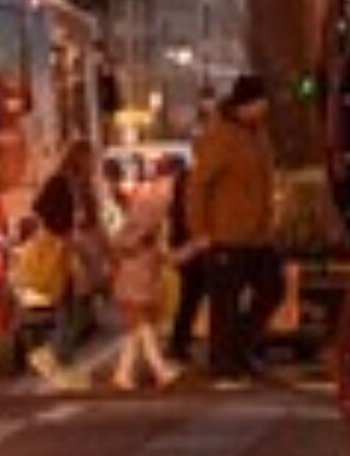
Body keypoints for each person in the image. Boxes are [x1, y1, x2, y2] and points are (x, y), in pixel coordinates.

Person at [191, 75, 281, 389]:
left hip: (258, 234)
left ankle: (239, 349)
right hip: (227, 232)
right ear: (247, 104)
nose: (266, 107)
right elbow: (199, 184)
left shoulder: (259, 134)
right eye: (261, 101)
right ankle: (223, 365)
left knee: (273, 287)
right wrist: (201, 230)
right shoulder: (222, 136)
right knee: (224, 302)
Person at [30, 138, 111, 378]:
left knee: (75, 306)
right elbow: (41, 207)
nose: (92, 164)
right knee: (67, 304)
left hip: (80, 251)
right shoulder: (61, 183)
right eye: (89, 158)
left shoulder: (81, 185)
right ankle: (55, 356)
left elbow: (93, 220)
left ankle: (61, 357)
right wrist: (63, 232)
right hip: (66, 251)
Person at [105, 175, 183, 391]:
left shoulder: (144, 243)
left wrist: (196, 247)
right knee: (143, 328)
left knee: (135, 333)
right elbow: (170, 258)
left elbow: (171, 258)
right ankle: (160, 370)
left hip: (137, 291)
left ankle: (123, 373)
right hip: (132, 292)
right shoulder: (136, 242)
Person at [162, 155, 207, 366]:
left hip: (186, 246)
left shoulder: (182, 184)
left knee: (190, 297)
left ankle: (179, 343)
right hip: (195, 246)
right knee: (194, 296)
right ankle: (179, 343)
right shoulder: (193, 182)